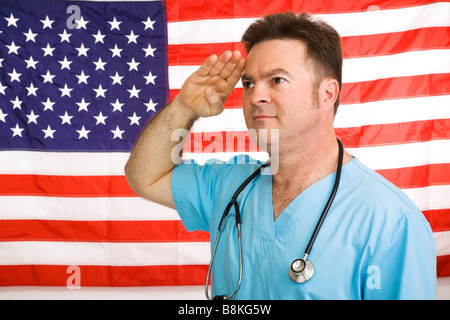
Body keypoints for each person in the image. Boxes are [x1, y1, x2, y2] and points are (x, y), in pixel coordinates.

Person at [125, 12, 436, 299]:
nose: (255, 96)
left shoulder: (392, 222)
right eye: (248, 83)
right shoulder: (229, 184)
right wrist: (183, 108)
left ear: (326, 94)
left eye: (277, 80)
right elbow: (145, 177)